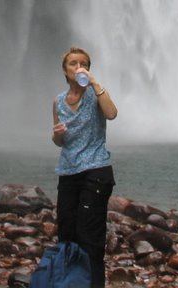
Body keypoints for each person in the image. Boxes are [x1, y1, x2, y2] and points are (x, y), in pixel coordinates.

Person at [50, 46, 118, 287]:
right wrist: (57, 134)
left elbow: (111, 114)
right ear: (64, 70)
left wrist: (95, 83)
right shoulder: (58, 101)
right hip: (68, 173)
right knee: (67, 233)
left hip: (96, 172)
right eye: (73, 63)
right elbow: (59, 141)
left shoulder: (97, 95)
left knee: (90, 237)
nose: (79, 67)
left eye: (84, 64)